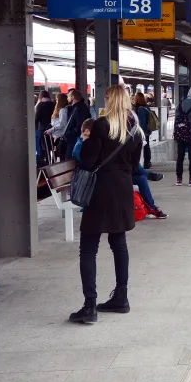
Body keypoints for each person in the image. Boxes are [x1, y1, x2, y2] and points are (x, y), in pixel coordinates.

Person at [69, 85, 143, 325]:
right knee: (118, 243)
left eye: (107, 98)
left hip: (100, 191)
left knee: (88, 248)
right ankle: (121, 297)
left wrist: (85, 141)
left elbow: (88, 162)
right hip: (122, 190)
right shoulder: (135, 130)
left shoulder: (101, 125)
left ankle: (89, 305)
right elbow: (134, 166)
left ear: (111, 101)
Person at [62, 89, 91, 163]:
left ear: (73, 97)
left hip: (74, 140)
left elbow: (79, 124)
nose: (67, 98)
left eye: (68, 96)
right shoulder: (80, 107)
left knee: (70, 163)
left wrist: (69, 134)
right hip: (75, 138)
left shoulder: (78, 108)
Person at [133, 92, 153, 169]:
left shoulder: (138, 108)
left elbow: (140, 121)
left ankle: (140, 163)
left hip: (140, 131)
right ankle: (147, 162)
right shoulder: (146, 107)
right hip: (147, 130)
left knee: (138, 147)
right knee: (146, 146)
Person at [48, 93, 70, 160]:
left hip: (60, 136)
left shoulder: (63, 110)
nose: (56, 101)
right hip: (59, 135)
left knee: (60, 156)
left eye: (57, 100)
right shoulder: (65, 109)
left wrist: (50, 130)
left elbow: (62, 123)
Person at [35, 91, 55, 165]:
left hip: (42, 129)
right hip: (51, 129)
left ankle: (44, 164)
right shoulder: (52, 104)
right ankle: (51, 161)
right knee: (50, 146)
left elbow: (36, 118)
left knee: (42, 147)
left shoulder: (40, 105)